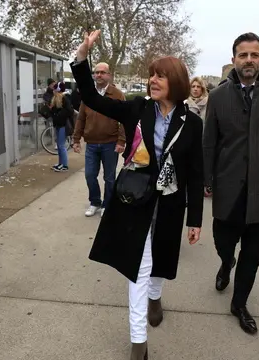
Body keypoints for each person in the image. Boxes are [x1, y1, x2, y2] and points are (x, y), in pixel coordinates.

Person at [71, 30, 204, 360]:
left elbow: (196, 172)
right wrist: (82, 56)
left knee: (160, 260)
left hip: (171, 204)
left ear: (176, 81)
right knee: (140, 267)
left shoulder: (192, 122)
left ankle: (156, 297)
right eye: (151, 75)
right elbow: (92, 97)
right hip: (135, 200)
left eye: (160, 75)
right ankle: (138, 343)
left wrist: (196, 219)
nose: (153, 80)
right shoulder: (135, 109)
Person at [203, 32, 259, 335]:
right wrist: (207, 179)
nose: (249, 60)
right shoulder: (217, 96)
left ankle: (239, 303)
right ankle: (226, 262)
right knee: (222, 242)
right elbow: (209, 144)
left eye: (255, 55)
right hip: (228, 189)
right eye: (243, 55)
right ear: (234, 60)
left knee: (252, 254)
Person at [72, 62, 126, 217]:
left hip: (110, 144)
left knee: (109, 178)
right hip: (91, 144)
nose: (99, 75)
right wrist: (76, 139)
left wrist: (121, 141)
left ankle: (107, 205)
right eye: (96, 72)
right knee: (90, 175)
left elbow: (123, 119)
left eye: (103, 72)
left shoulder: (117, 95)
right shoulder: (88, 95)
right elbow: (81, 118)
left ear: (109, 75)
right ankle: (95, 202)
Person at [50, 81, 74, 172]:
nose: (53, 91)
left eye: (55, 89)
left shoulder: (64, 98)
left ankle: (64, 165)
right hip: (58, 124)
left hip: (63, 125)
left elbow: (69, 111)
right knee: (60, 146)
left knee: (61, 145)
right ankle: (61, 163)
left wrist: (58, 115)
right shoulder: (56, 99)